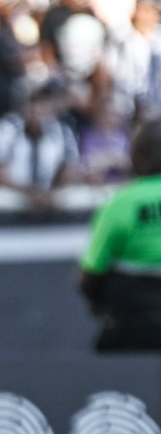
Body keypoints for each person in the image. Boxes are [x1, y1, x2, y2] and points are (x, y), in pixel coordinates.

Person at [79, 118, 161, 351]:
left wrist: (100, 306)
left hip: (133, 330)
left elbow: (91, 273)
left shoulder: (120, 203)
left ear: (139, 155)